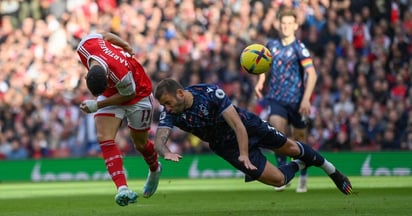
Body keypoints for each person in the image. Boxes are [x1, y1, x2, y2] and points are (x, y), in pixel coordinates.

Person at [153, 78, 352, 195]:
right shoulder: (170, 113)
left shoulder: (210, 93)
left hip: (248, 127)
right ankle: (303, 163)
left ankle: (332, 170)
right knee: (279, 181)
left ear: (180, 93)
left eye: (168, 102)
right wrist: (166, 151)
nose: (166, 108)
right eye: (163, 105)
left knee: (291, 148)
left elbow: (237, 125)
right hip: (225, 147)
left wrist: (245, 154)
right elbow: (159, 140)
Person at [76, 32, 162, 206]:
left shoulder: (119, 74)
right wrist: (125, 45)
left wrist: (97, 105)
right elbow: (105, 35)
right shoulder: (84, 46)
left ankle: (155, 169)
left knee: (140, 144)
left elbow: (127, 94)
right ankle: (122, 188)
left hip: (138, 94)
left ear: (107, 80)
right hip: (113, 93)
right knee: (104, 137)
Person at [255, 9, 318, 193]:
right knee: (277, 135)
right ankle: (282, 176)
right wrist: (260, 81)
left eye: (290, 23)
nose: (286, 26)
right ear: (278, 25)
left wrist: (306, 99)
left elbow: (312, 74)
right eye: (283, 23)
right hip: (276, 99)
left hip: (297, 101)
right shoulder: (271, 45)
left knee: (300, 141)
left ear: (296, 26)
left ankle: (303, 177)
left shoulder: (299, 47)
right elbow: (263, 67)